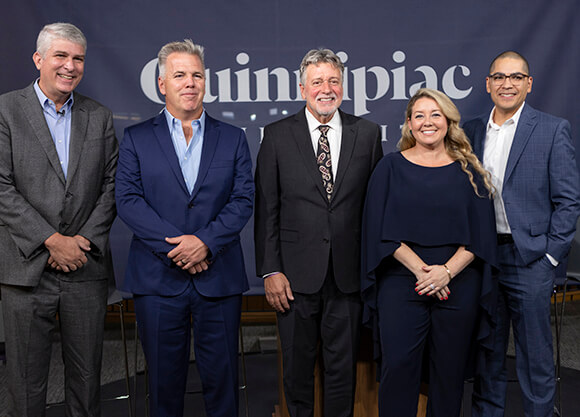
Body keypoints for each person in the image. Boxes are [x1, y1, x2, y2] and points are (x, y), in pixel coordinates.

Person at [115, 39, 253, 417]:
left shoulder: (233, 138)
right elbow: (127, 200)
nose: (189, 82)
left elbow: (243, 201)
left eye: (196, 74)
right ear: (162, 84)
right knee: (162, 386)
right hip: (157, 280)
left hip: (219, 277)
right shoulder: (137, 138)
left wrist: (204, 243)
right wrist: (178, 248)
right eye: (180, 75)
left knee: (223, 384)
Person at [254, 48, 383, 417]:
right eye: (317, 82)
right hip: (293, 277)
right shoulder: (277, 136)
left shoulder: (368, 134)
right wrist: (271, 270)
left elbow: (374, 209)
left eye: (333, 81)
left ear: (343, 86)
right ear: (301, 88)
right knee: (296, 373)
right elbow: (267, 209)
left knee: (342, 373)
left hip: (348, 275)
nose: (326, 89)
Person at [0, 22, 118, 416]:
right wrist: (52, 240)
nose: (70, 66)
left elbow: (111, 185)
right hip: (25, 267)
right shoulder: (6, 110)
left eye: (78, 58)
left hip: (84, 268)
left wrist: (80, 242)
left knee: (86, 384)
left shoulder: (98, 116)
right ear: (39, 59)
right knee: (25, 385)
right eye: (61, 56)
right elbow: (1, 188)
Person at [361, 88, 498, 417]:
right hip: (402, 282)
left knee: (448, 375)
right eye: (419, 115)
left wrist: (445, 272)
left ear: (449, 122)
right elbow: (377, 230)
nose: (427, 122)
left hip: (458, 284)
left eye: (436, 115)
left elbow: (481, 238)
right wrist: (423, 270)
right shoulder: (389, 168)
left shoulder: (471, 171)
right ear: (408, 124)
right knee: (398, 370)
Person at [465, 51, 580, 417]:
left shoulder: (551, 129)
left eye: (516, 77)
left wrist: (549, 256)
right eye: (499, 77)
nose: (507, 84)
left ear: (529, 84)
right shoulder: (470, 131)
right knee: (487, 353)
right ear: (488, 84)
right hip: (482, 258)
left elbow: (568, 200)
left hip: (530, 259)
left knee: (535, 357)